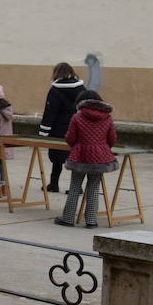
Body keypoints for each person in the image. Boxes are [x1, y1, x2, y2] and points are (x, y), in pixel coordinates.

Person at [56, 90, 117, 228]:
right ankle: (91, 221)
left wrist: (76, 146)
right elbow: (112, 138)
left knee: (75, 187)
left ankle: (68, 219)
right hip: (99, 156)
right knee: (94, 188)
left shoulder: (77, 117)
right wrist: (103, 147)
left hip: (80, 154)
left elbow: (70, 137)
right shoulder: (107, 117)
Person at [39, 62, 85, 193]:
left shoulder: (55, 90)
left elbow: (50, 112)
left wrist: (43, 133)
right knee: (75, 157)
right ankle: (76, 187)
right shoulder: (81, 88)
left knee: (56, 158)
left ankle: (54, 184)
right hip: (77, 128)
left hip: (58, 129)